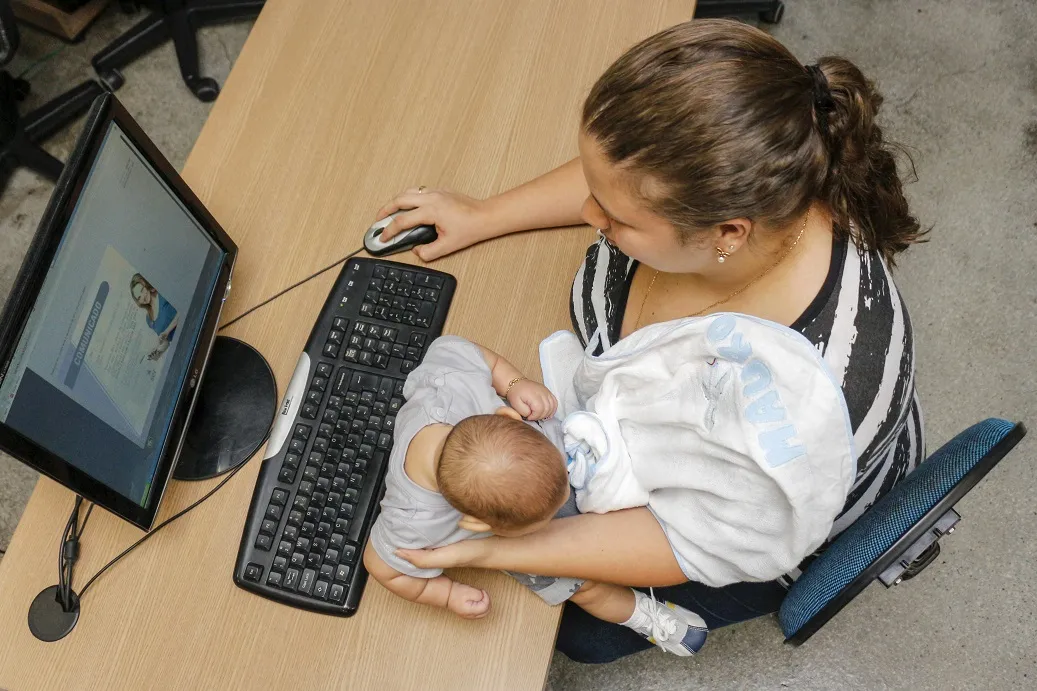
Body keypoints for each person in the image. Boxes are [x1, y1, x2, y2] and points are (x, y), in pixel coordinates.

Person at [375, 19, 926, 663]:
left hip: (758, 516)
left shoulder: (800, 404)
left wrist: (493, 548)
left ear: (727, 232)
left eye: (617, 221)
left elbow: (690, 537)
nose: (590, 216)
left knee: (570, 634)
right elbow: (625, 175)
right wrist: (486, 214)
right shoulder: (752, 175)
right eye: (593, 191)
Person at [364, 336, 709, 657]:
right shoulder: (412, 520)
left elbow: (454, 345)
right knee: (585, 586)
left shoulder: (451, 386)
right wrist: (447, 595)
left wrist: (514, 383)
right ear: (476, 523)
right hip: (514, 546)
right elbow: (382, 567)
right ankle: (639, 614)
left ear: (507, 415)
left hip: (532, 474)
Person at [130, 273, 178, 361]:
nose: (143, 297)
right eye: (139, 297)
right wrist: (158, 353)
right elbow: (166, 341)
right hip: (179, 346)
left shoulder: (162, 292)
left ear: (145, 284)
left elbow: (183, 311)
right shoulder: (149, 319)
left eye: (142, 290)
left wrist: (167, 331)